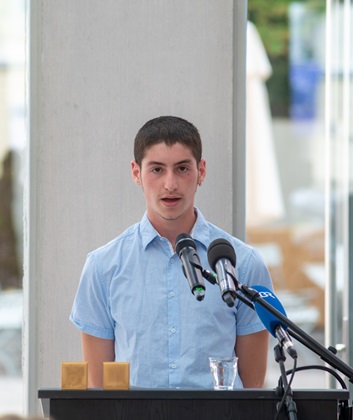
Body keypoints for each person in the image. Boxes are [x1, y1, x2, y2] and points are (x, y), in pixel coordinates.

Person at [70, 116, 274, 389]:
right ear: (135, 173)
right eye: (156, 169)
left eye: (182, 168)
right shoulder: (103, 267)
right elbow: (100, 390)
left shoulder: (243, 263)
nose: (170, 184)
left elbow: (251, 391)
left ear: (201, 171)